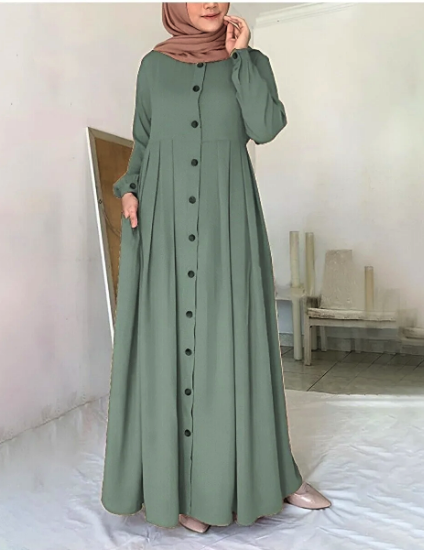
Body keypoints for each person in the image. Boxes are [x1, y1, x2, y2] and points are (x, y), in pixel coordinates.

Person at [101, 2, 331, 535]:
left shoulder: (250, 61)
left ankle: (269, 474)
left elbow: (266, 127)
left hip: (226, 223)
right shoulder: (153, 66)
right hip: (162, 221)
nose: (211, 2)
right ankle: (178, 492)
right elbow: (143, 142)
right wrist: (129, 189)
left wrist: (242, 56)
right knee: (170, 345)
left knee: (233, 342)